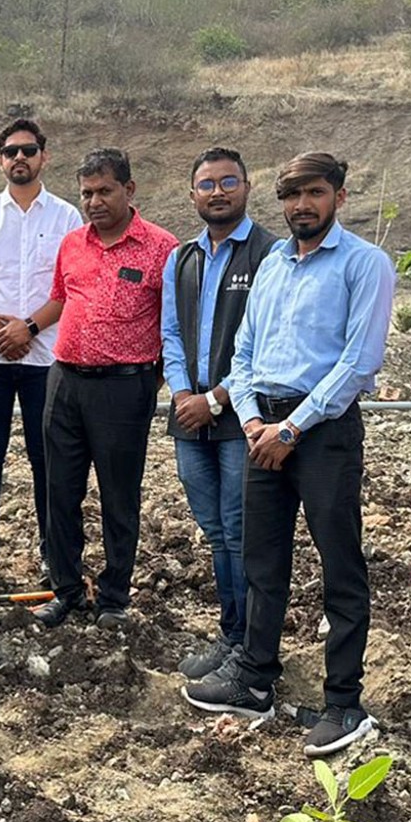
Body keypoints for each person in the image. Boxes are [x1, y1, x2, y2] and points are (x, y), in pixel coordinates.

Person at [199, 153, 394, 758]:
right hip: (264, 427)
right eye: (291, 195)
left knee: (340, 563)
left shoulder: (364, 263)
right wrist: (254, 420)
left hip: (323, 431)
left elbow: (359, 361)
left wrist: (292, 428)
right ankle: (256, 677)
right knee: (262, 559)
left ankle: (344, 701)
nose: (301, 205)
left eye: (314, 193)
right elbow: (244, 355)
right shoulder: (273, 266)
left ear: (338, 196)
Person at [28, 148, 179, 628]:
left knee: (118, 495)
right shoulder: (72, 244)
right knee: (58, 490)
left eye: (104, 191)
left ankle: (114, 596)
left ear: (128, 190)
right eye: (86, 193)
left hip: (123, 388)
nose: (94, 202)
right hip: (64, 381)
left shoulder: (162, 248)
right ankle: (66, 589)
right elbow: (60, 298)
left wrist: (148, 381)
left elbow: (174, 325)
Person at [164, 148, 275, 682]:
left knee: (239, 529)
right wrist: (184, 394)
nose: (218, 192)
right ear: (193, 194)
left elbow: (267, 343)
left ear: (247, 187)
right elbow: (170, 332)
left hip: (240, 416)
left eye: (229, 182)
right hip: (188, 417)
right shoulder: (182, 258)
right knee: (213, 531)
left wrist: (216, 400)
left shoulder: (270, 255)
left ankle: (249, 644)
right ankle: (231, 634)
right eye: (207, 184)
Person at [0, 117, 81, 589]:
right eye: (11, 151)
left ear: (43, 157)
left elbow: (72, 286)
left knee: (46, 456)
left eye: (28, 150)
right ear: (0, 161)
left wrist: (28, 327)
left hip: (46, 356)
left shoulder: (67, 218)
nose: (19, 158)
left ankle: (53, 552)